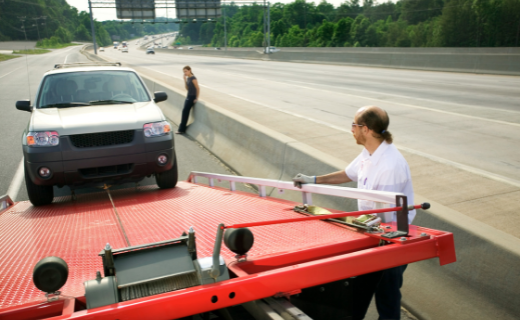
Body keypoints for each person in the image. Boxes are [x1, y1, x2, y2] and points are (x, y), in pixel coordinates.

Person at [293, 105, 415, 320]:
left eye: (354, 125)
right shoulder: (369, 153)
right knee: (368, 287)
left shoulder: (390, 165)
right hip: (372, 231)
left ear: (366, 129)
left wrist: (352, 225)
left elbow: (386, 213)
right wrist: (313, 180)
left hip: (392, 236)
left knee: (387, 293)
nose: (351, 130)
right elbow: (347, 174)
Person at [176, 66, 200, 134]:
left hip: (192, 97)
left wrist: (196, 98)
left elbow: (198, 88)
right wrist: (184, 80)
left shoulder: (193, 78)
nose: (185, 73)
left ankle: (181, 129)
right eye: (184, 72)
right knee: (184, 112)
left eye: (186, 71)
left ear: (190, 70)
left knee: (185, 112)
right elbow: (187, 88)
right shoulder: (189, 78)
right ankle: (182, 129)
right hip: (188, 96)